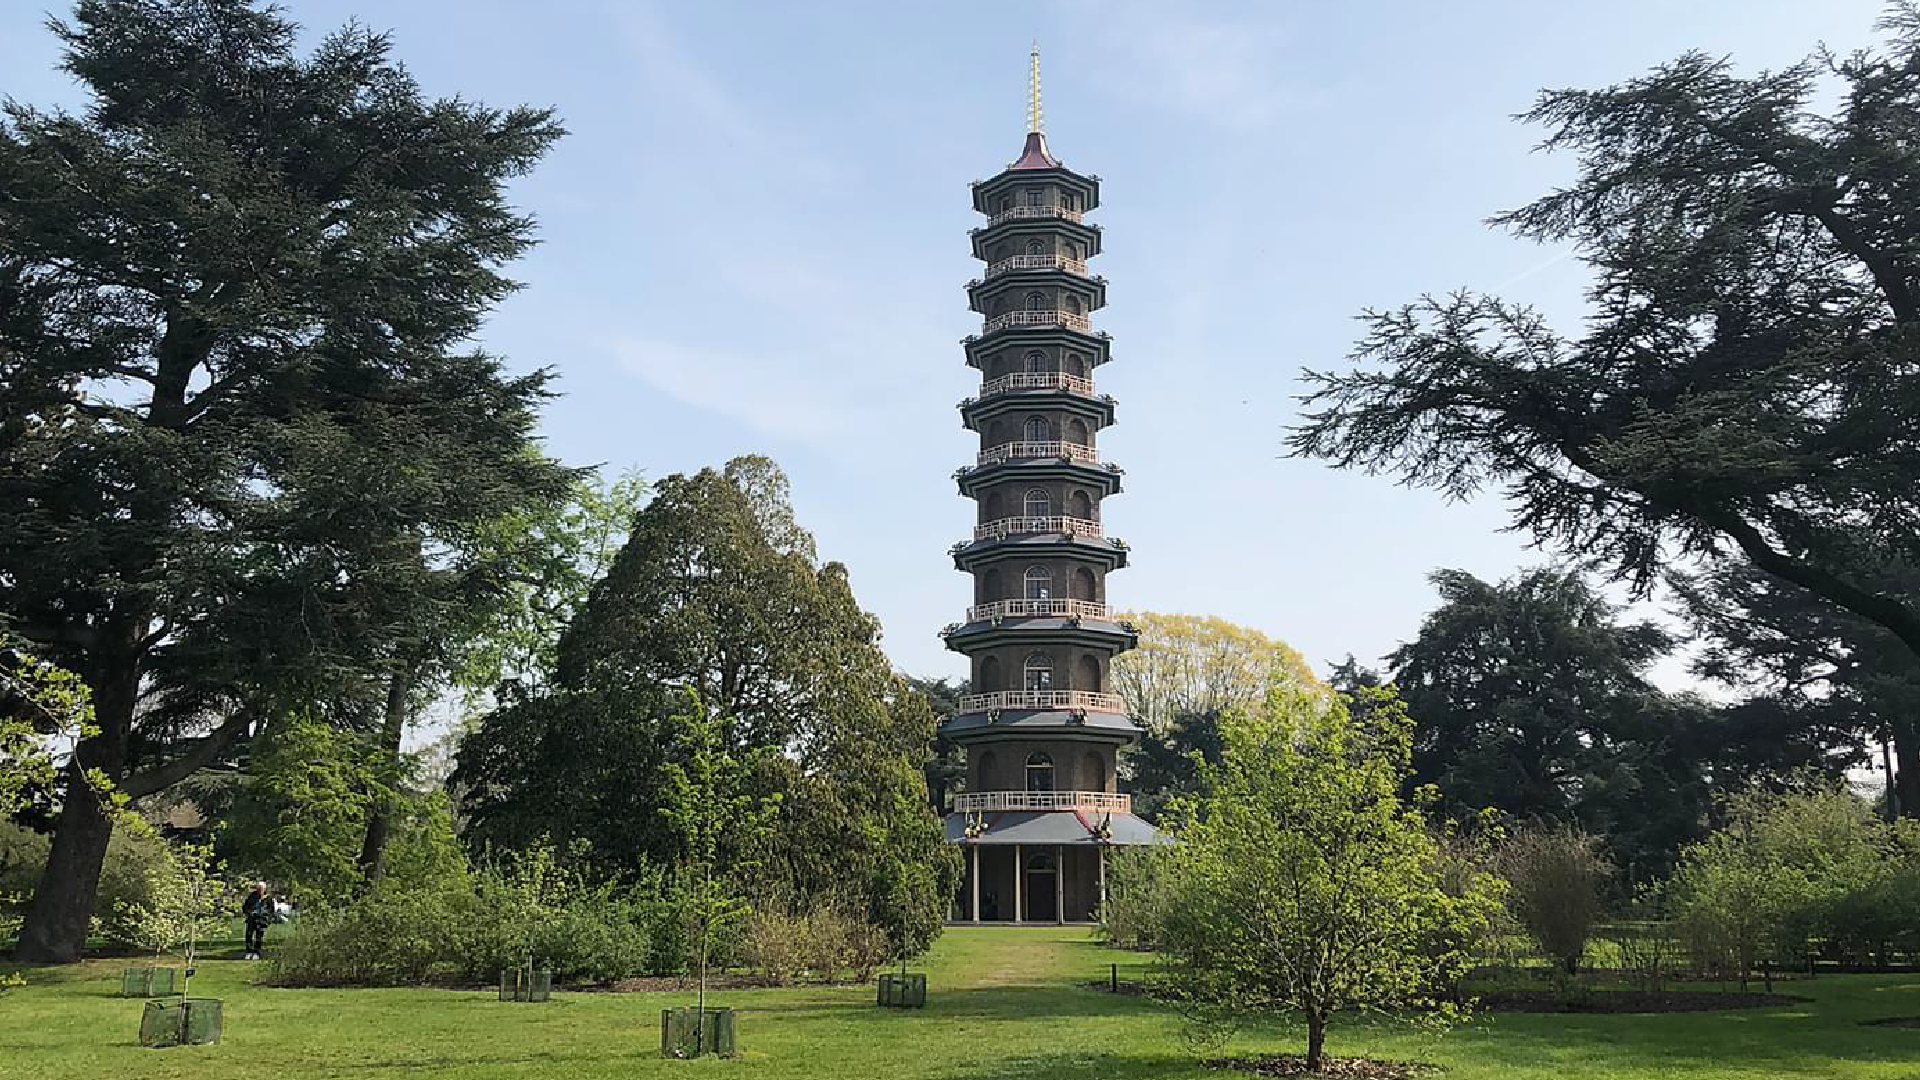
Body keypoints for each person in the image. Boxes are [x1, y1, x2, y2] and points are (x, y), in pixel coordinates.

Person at [242, 881, 274, 960]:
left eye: (261, 889)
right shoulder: (252, 896)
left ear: (264, 889)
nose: (260, 890)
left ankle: (256, 952)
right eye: (258, 888)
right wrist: (249, 913)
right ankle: (249, 952)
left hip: (262, 919)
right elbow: (245, 906)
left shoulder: (268, 898)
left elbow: (271, 910)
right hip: (252, 918)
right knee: (248, 935)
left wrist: (267, 917)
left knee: (259, 937)